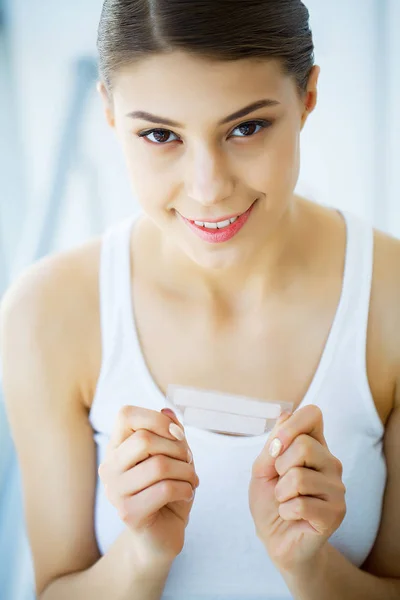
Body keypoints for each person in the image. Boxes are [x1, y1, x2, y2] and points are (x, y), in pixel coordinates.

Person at [1, 0, 399, 598]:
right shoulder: (47, 312)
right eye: (160, 135)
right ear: (110, 113)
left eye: (247, 127)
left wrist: (311, 569)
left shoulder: (391, 298)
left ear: (308, 95)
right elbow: (54, 588)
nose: (209, 188)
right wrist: (141, 556)